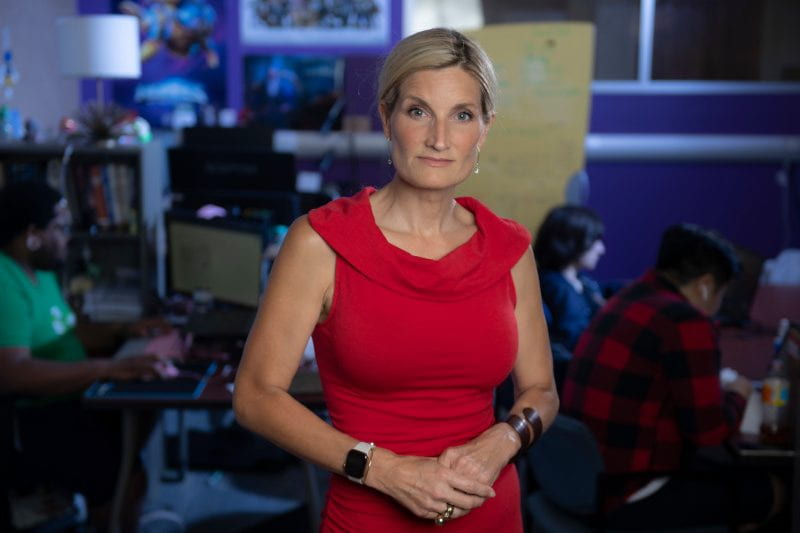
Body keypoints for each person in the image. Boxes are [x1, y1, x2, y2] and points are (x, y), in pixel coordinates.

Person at [234, 28, 558, 531]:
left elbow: (541, 389)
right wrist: (384, 469)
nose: (439, 139)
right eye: (418, 111)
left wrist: (504, 440)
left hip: (491, 512)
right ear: (387, 118)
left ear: (485, 130)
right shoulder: (321, 242)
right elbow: (255, 396)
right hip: (369, 515)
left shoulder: (509, 247)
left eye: (463, 116)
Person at [561, 223, 783, 530]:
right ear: (706, 285)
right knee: (771, 490)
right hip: (632, 491)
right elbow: (709, 432)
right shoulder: (685, 321)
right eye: (722, 294)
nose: (719, 306)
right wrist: (739, 392)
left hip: (581, 480)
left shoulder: (629, 297)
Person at [0, 180, 167, 529]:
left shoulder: (39, 271)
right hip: (35, 419)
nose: (68, 237)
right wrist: (106, 368)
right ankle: (105, 510)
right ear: (32, 234)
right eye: (59, 228)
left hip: (69, 399)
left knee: (146, 408)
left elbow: (66, 329)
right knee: (124, 473)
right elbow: (12, 372)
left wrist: (122, 331)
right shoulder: (4, 281)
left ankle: (110, 506)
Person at [533, 204, 606, 351]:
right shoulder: (556, 287)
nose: (601, 249)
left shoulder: (581, 282)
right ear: (570, 241)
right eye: (594, 240)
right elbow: (576, 341)